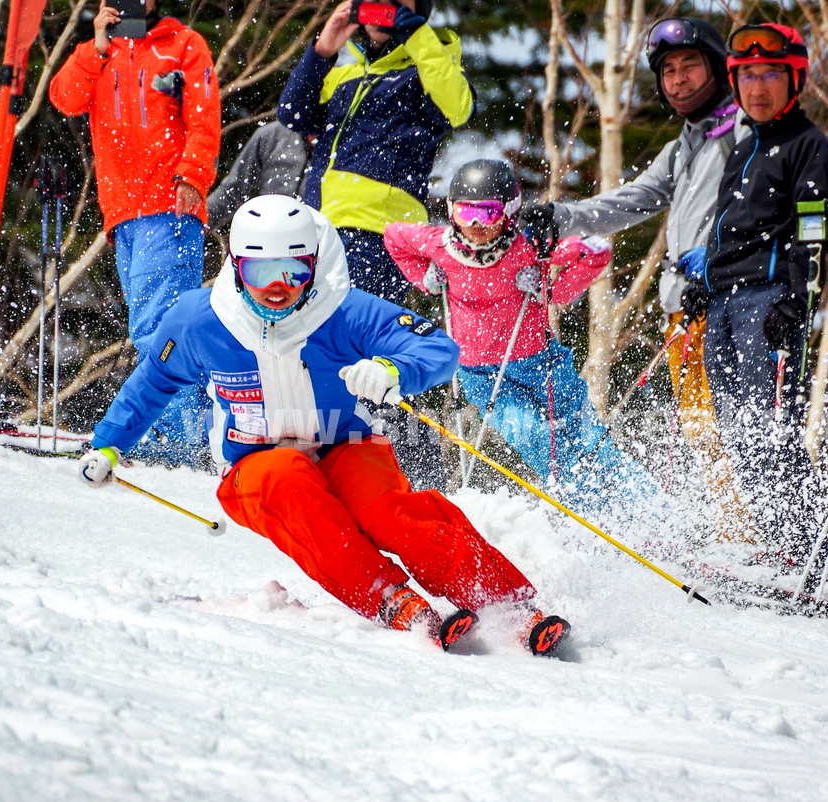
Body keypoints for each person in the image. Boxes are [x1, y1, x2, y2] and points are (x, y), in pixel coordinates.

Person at [76, 195, 570, 656]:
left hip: (346, 443)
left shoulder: (342, 311)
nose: (277, 287)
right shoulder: (199, 321)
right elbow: (152, 382)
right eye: (260, 271)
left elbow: (438, 349)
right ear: (235, 264)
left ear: (312, 265)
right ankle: (387, 596)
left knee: (387, 513)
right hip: (257, 463)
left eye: (293, 271)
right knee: (291, 485)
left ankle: (507, 604)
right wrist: (108, 446)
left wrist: (393, 370)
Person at [516, 17, 756, 543]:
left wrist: (716, 264)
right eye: (667, 70)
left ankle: (768, 537)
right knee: (700, 428)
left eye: (690, 65)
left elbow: (768, 214)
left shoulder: (747, 131)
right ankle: (735, 537)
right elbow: (633, 200)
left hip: (734, 303)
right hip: (685, 308)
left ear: (718, 67)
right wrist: (561, 217)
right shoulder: (685, 146)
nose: (678, 80)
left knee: (738, 425)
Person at [276, 0, 473, 491]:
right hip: (317, 226)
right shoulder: (347, 70)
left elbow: (459, 107)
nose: (382, 11)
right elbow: (293, 113)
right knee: (308, 339)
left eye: (396, 2)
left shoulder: (430, 61)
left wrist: (418, 33)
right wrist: (324, 46)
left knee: (363, 348)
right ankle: (324, 448)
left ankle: (412, 464)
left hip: (377, 230)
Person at [385, 160, 658, 513]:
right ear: (451, 210)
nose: (475, 225)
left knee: (588, 440)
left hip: (542, 364)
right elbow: (393, 235)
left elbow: (596, 252)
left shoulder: (527, 246)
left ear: (510, 212)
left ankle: (650, 510)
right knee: (537, 439)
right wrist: (424, 277)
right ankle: (595, 513)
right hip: (482, 375)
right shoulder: (440, 246)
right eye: (465, 212)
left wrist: (551, 289)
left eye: (488, 213)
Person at [676, 23, 828, 555]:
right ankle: (776, 547)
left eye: (771, 75)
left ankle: (808, 553)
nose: (758, 88)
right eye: (747, 76)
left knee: (772, 431)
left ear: (795, 81)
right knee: (739, 435)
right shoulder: (742, 149)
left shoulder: (808, 145)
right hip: (723, 304)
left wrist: (800, 299)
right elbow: (728, 228)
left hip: (769, 304)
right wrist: (707, 281)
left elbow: (813, 228)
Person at [49, 0, 219, 468]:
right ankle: (188, 432)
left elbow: (205, 118)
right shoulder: (100, 51)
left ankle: (184, 438)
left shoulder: (184, 44)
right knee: (152, 325)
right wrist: (96, 46)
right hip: (122, 213)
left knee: (159, 326)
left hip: (169, 204)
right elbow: (64, 98)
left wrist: (192, 175)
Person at [207, 122, 312, 231]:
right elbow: (232, 193)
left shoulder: (330, 149)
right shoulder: (271, 136)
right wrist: (194, 222)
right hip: (264, 238)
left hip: (319, 241)